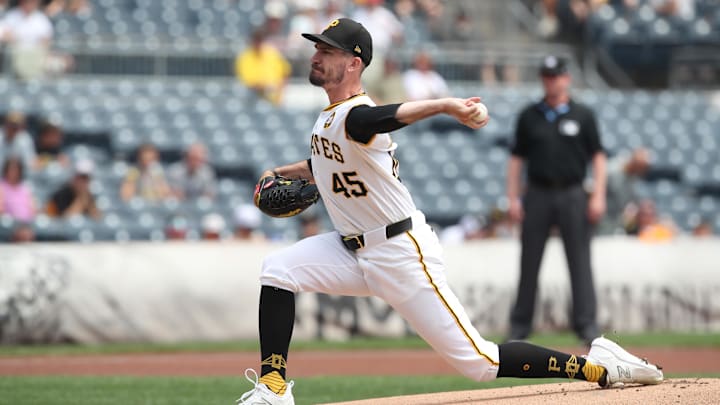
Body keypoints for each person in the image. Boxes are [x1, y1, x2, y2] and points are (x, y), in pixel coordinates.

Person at [236, 18, 662, 405]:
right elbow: (325, 162)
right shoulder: (331, 119)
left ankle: (597, 364)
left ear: (354, 63)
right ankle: (273, 388)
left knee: (479, 361)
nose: (316, 56)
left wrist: (444, 104)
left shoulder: (356, 115)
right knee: (279, 270)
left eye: (327, 51)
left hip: (400, 253)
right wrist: (281, 171)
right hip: (352, 251)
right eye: (317, 48)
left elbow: (385, 116)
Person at [506, 55, 607, 346]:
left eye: (556, 76)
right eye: (547, 76)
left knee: (580, 261)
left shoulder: (583, 115)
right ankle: (520, 327)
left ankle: (586, 326)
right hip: (537, 193)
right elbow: (516, 160)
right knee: (529, 261)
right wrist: (513, 198)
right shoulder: (529, 115)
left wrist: (598, 194)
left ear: (567, 78)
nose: (552, 81)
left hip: (573, 193)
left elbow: (598, 157)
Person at [599, 148, 651, 235]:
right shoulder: (612, 169)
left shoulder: (634, 179)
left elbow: (632, 202)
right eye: (640, 167)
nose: (642, 171)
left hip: (616, 221)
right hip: (602, 218)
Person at [235, 28, 292, 105]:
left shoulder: (272, 53)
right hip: (253, 98)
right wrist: (265, 86)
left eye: (260, 40)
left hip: (274, 98)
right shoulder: (245, 57)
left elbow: (285, 72)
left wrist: (280, 89)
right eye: (256, 40)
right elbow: (248, 81)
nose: (258, 43)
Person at [0, 156, 36, 222]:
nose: (14, 173)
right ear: (6, 170)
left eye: (16, 170)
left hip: (26, 223)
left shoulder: (25, 187)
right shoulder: (1, 187)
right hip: (9, 224)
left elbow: (32, 209)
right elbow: (1, 209)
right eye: (11, 170)